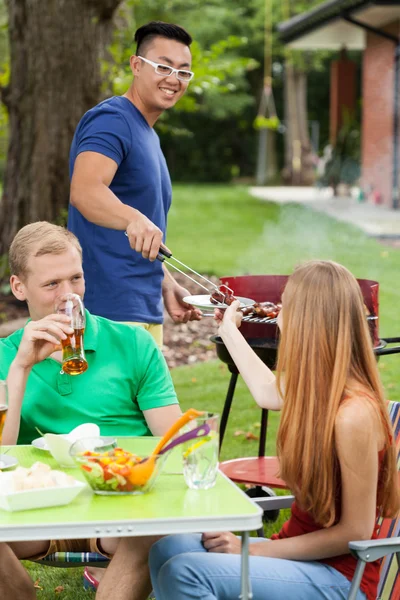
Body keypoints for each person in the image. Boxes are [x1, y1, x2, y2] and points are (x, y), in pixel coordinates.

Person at [148, 260, 400, 600]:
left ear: (308, 323)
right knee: (167, 549)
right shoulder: (321, 389)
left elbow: (354, 532)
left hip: (340, 578)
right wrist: (230, 332)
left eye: (286, 308)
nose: (279, 318)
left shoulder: (353, 415)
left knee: (186, 572)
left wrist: (248, 550)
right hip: (303, 559)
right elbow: (267, 391)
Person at [0, 221, 182, 600]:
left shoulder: (133, 343)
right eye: (51, 285)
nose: (69, 296)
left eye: (76, 279)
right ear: (19, 288)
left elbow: (174, 446)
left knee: (158, 528)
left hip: (121, 511)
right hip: (35, 512)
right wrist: (20, 370)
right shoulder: (5, 357)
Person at [68, 21, 201, 348]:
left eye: (184, 72)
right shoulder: (112, 120)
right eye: (163, 67)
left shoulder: (147, 134)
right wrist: (134, 219)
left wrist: (165, 282)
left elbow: (133, 227)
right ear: (136, 65)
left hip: (142, 306)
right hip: (109, 309)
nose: (174, 79)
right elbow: (85, 190)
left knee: (148, 402)